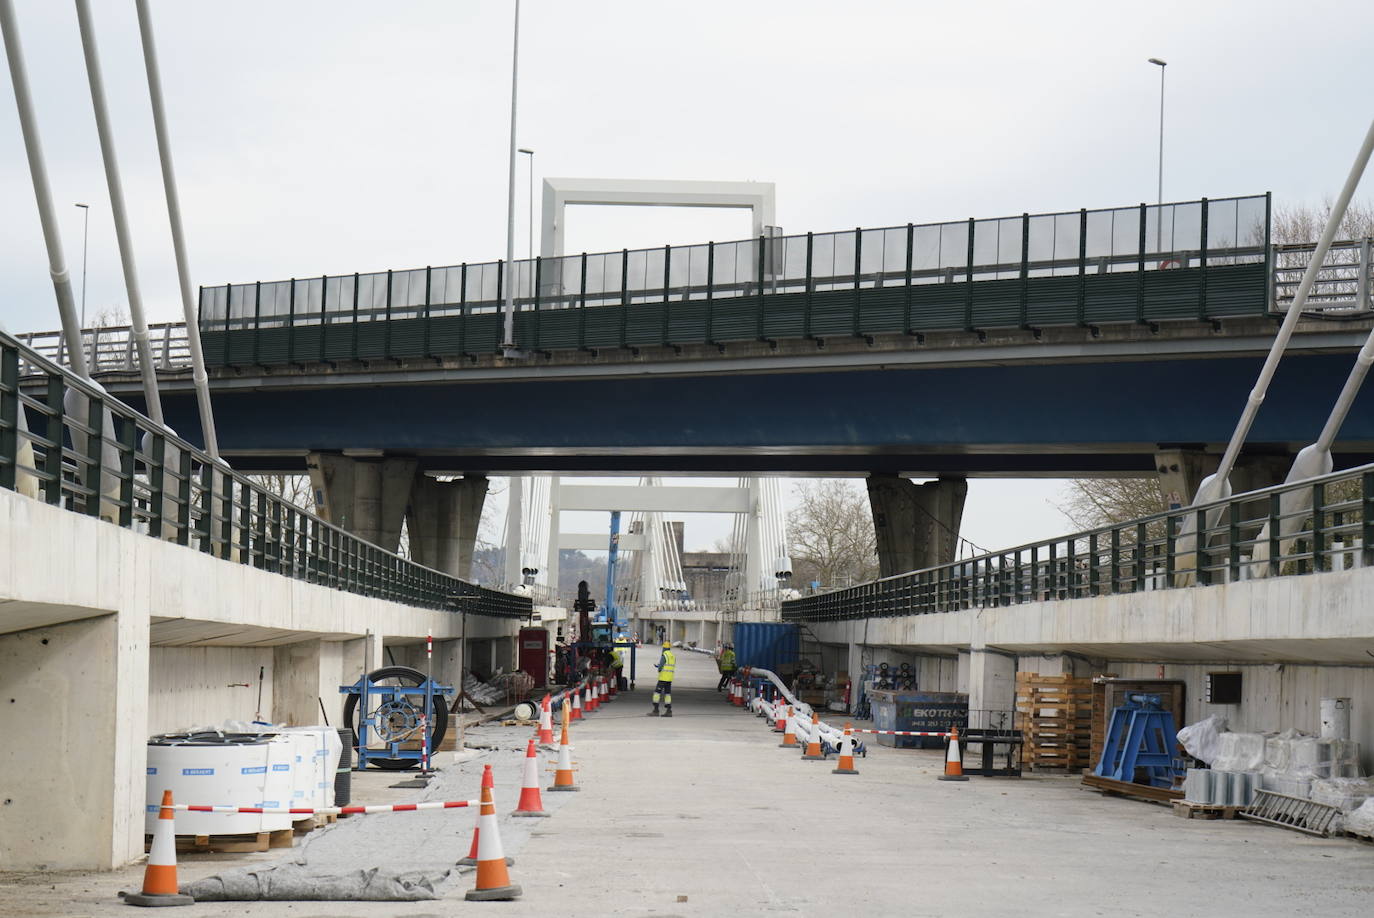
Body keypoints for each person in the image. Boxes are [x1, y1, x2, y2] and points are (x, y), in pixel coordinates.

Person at [647, 641, 675, 717]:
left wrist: (658, 668)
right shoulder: (672, 656)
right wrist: (660, 665)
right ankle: (669, 711)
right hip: (669, 678)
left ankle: (656, 710)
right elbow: (669, 665)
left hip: (663, 678)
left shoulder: (664, 655)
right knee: (667, 694)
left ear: (664, 648)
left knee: (657, 693)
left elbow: (660, 668)